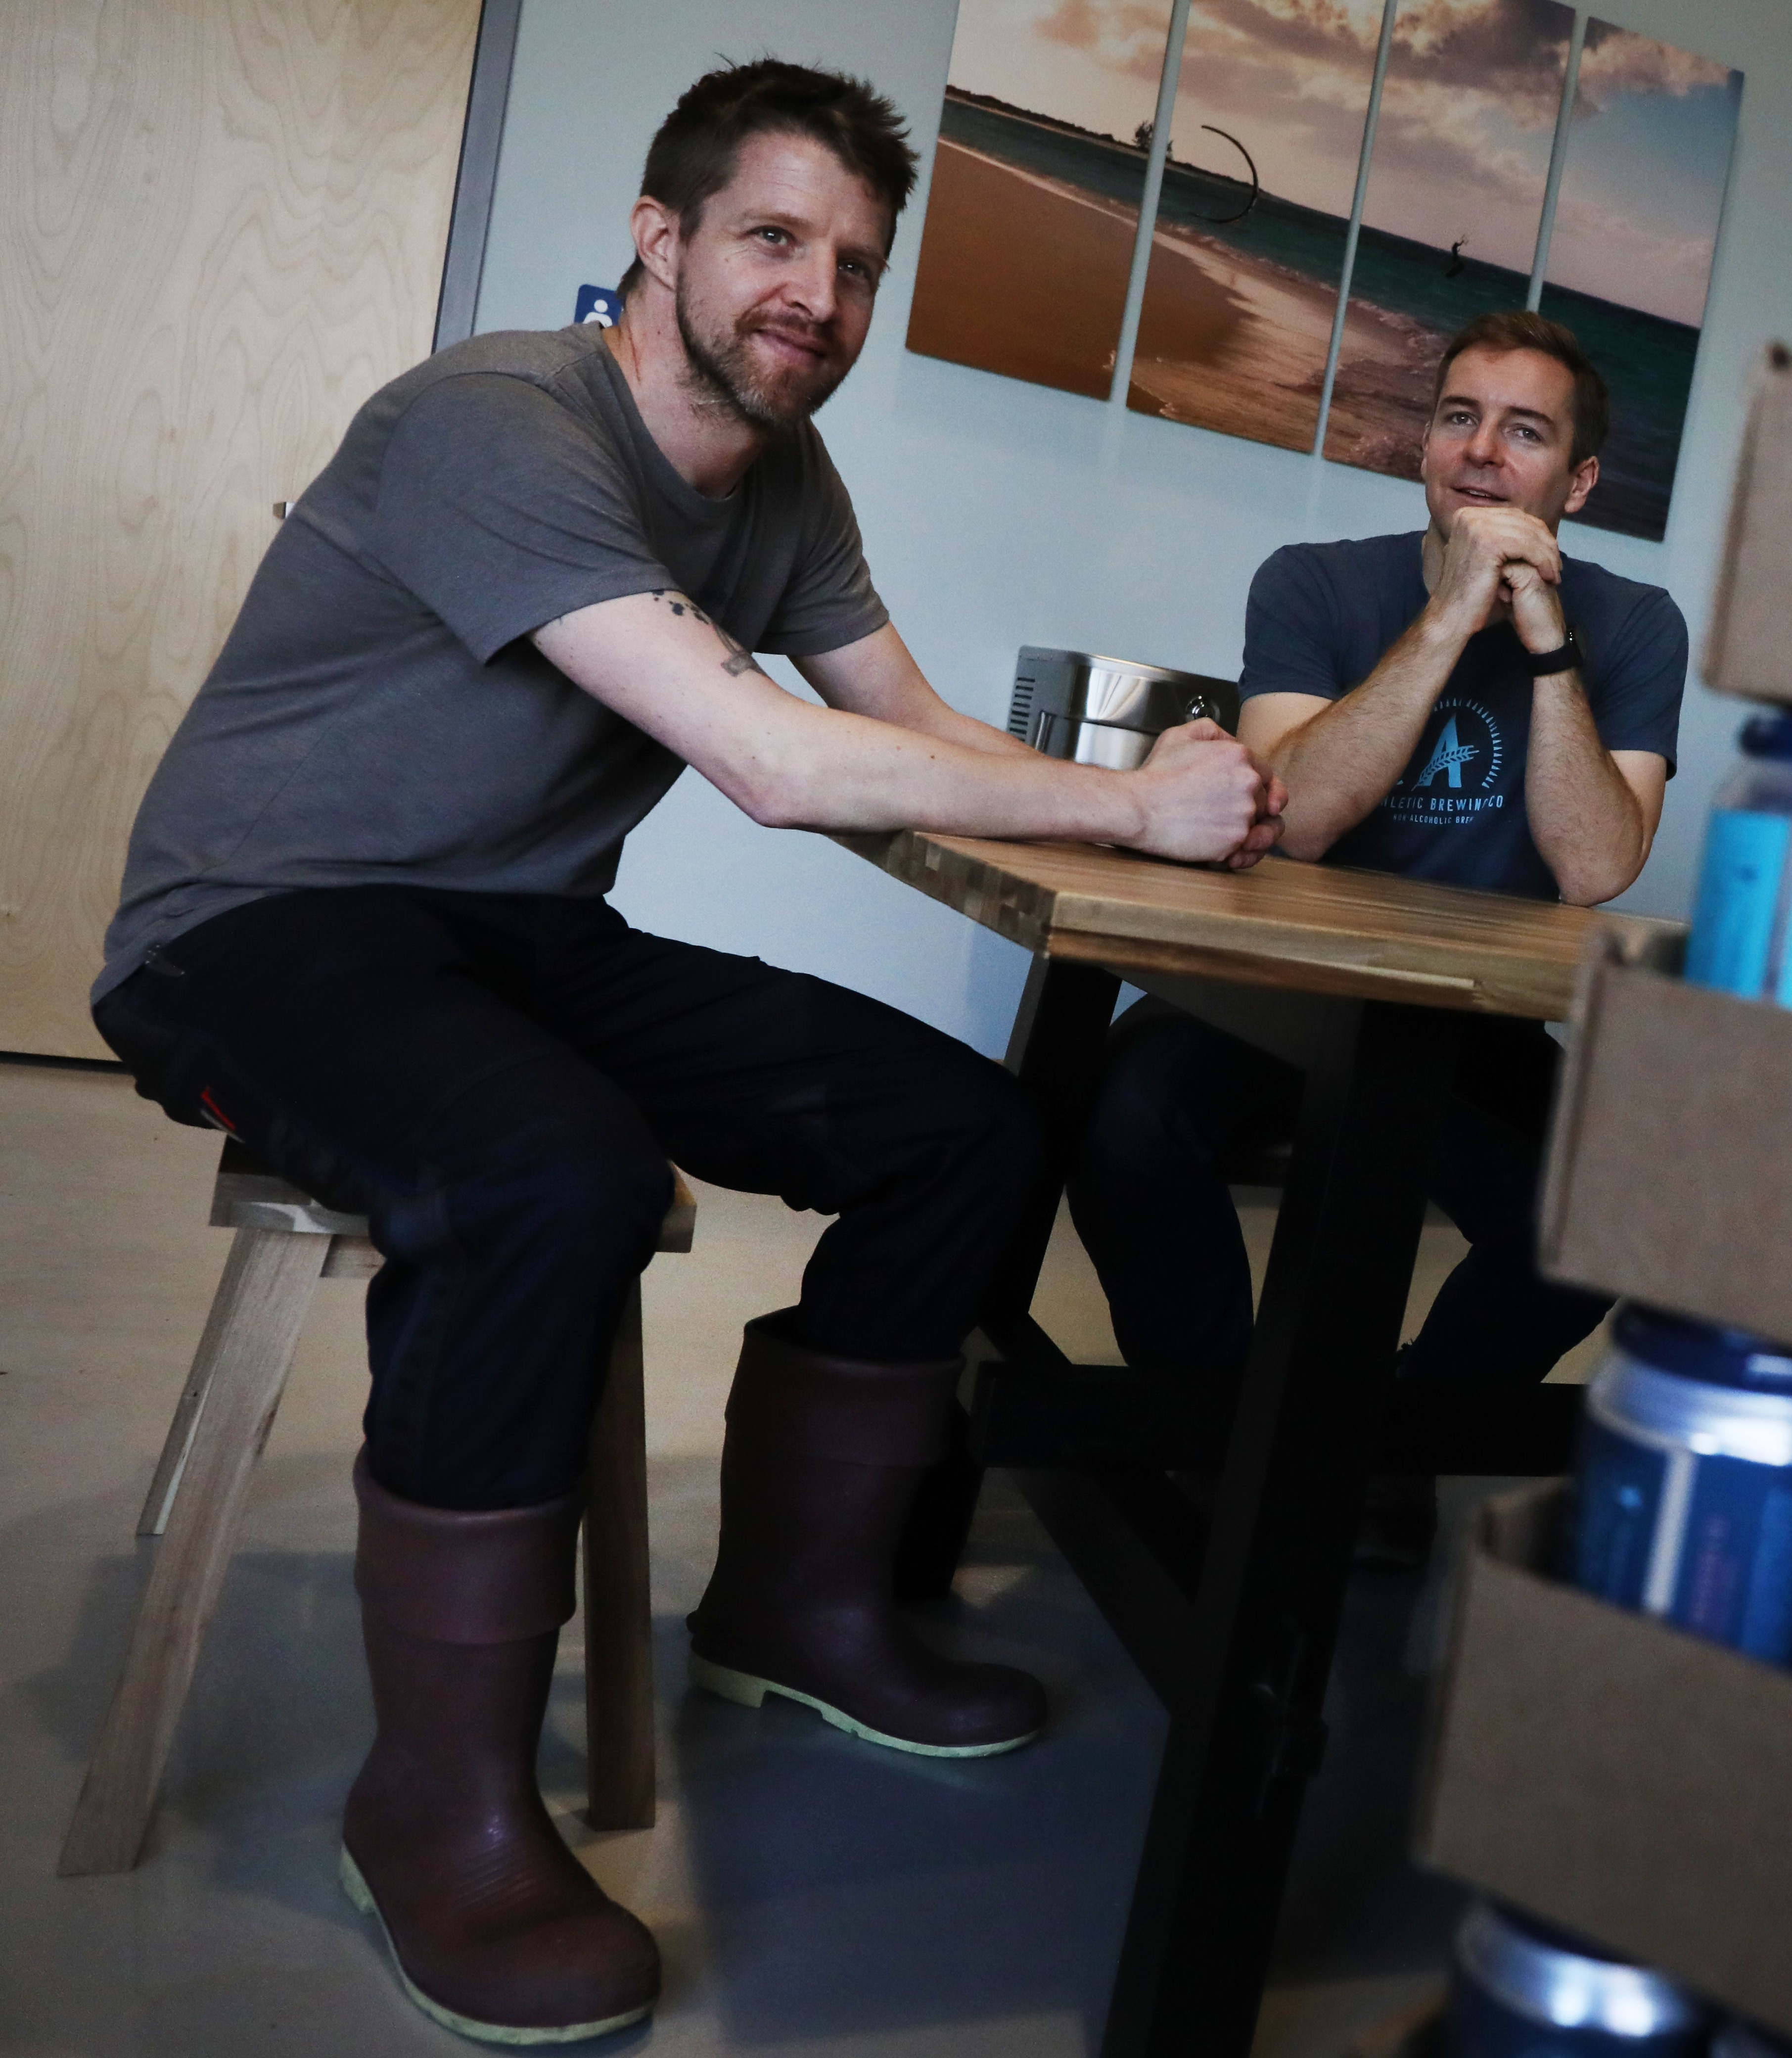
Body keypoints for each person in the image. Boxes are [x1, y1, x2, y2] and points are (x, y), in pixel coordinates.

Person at [88, 62, 1277, 2047]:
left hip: (522, 934)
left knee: (966, 1129)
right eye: (775, 238)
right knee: (548, 1170)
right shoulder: (493, 419)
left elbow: (919, 736)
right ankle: (436, 1798)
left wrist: (1139, 791)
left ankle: (798, 1606)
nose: (818, 291)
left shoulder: (789, 490)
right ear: (663, 238)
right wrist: (1133, 817)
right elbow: (771, 758)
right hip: (260, 924)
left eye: (856, 263)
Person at [1065, 310, 1687, 1554]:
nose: (1479, 454)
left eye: (1523, 434)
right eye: (1458, 417)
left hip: (1466, 1018)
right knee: (1117, 1123)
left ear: (1572, 483)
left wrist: (1543, 645)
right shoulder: (1311, 581)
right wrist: (1449, 621)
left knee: (1610, 1205)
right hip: (1270, 987)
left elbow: (1593, 867)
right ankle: (1223, 1429)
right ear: (1424, 441)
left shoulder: (1631, 624)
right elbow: (1295, 819)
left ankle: (1386, 1433)